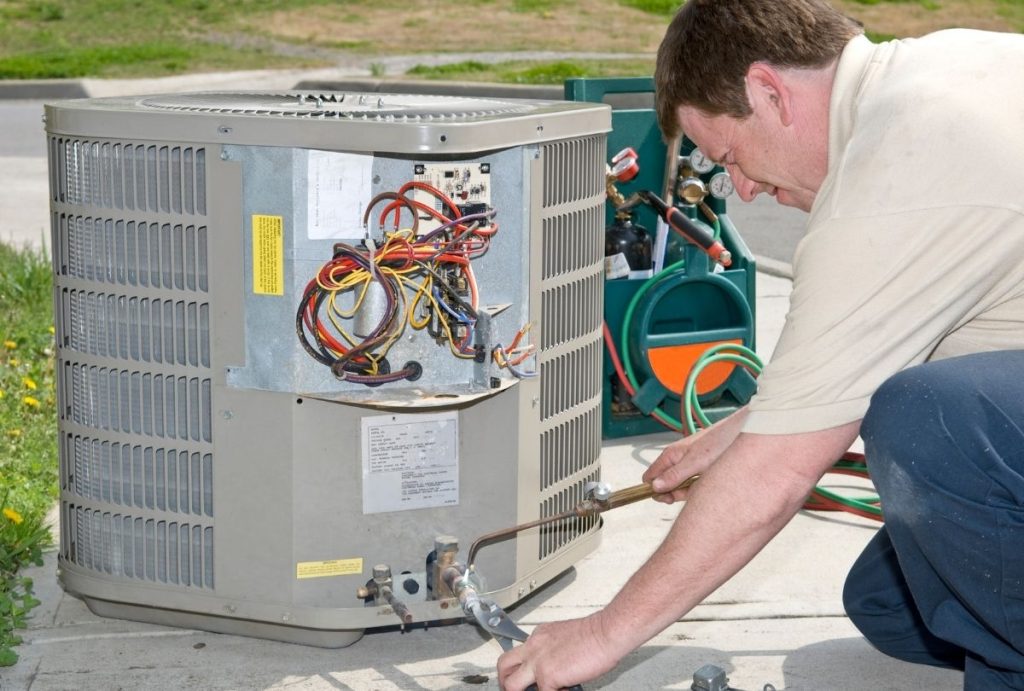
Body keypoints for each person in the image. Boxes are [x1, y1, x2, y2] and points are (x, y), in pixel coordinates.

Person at [496, 0, 1024, 689]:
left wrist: (600, 634)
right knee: (894, 604)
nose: (741, 189)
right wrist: (742, 428)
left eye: (729, 156)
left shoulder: (893, 177)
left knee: (927, 418)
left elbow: (775, 475)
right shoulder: (943, 68)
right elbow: (885, 341)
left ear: (769, 91)